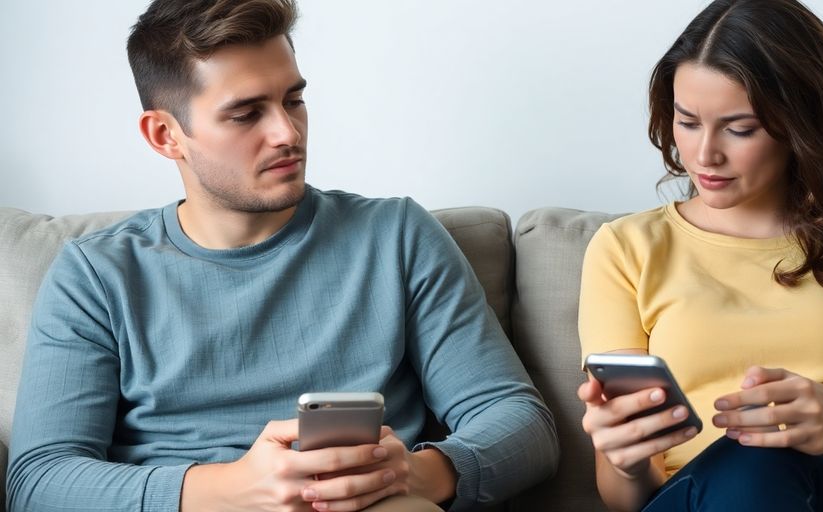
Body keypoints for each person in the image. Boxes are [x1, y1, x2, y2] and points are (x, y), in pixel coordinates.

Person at [5, 1, 557, 510]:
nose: (287, 133)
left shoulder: (395, 236)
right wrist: (229, 489)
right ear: (165, 134)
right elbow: (39, 480)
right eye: (246, 114)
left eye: (293, 99)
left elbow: (524, 424)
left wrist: (415, 474)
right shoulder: (96, 274)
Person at [576, 0, 823, 511]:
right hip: (695, 500)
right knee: (751, 457)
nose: (704, 155)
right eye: (687, 122)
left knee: (766, 452)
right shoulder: (625, 248)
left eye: (740, 128)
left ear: (801, 123)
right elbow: (625, 500)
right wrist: (627, 461)